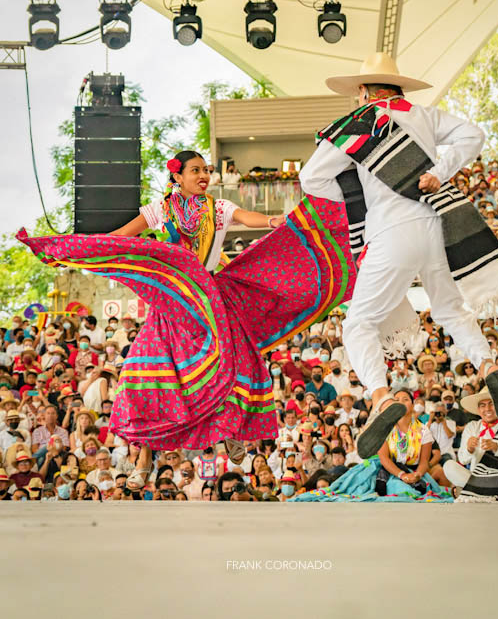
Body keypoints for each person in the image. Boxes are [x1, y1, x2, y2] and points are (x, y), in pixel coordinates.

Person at [19, 149, 355, 493]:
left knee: (232, 364)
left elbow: (246, 216)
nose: (204, 176)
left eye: (206, 170)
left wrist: (274, 221)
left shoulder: (218, 208)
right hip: (172, 305)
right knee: (141, 371)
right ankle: (144, 458)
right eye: (196, 170)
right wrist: (74, 251)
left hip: (212, 300)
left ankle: (231, 431)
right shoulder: (160, 210)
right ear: (177, 176)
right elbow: (121, 237)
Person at [299, 51, 498, 458]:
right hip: (437, 223)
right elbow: (473, 135)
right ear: (399, 87)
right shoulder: (424, 115)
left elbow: (310, 177)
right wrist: (439, 172)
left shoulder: (359, 124)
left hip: (392, 230)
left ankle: (382, 396)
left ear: (364, 90)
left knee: (360, 323)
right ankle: (489, 365)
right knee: (450, 311)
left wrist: (357, 199)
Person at [443, 387, 498, 502]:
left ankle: (473, 492)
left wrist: (497, 447)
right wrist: (469, 449)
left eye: (492, 404)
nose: (487, 409)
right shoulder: (472, 426)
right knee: (448, 465)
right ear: (478, 410)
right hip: (476, 477)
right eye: (482, 405)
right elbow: (462, 459)